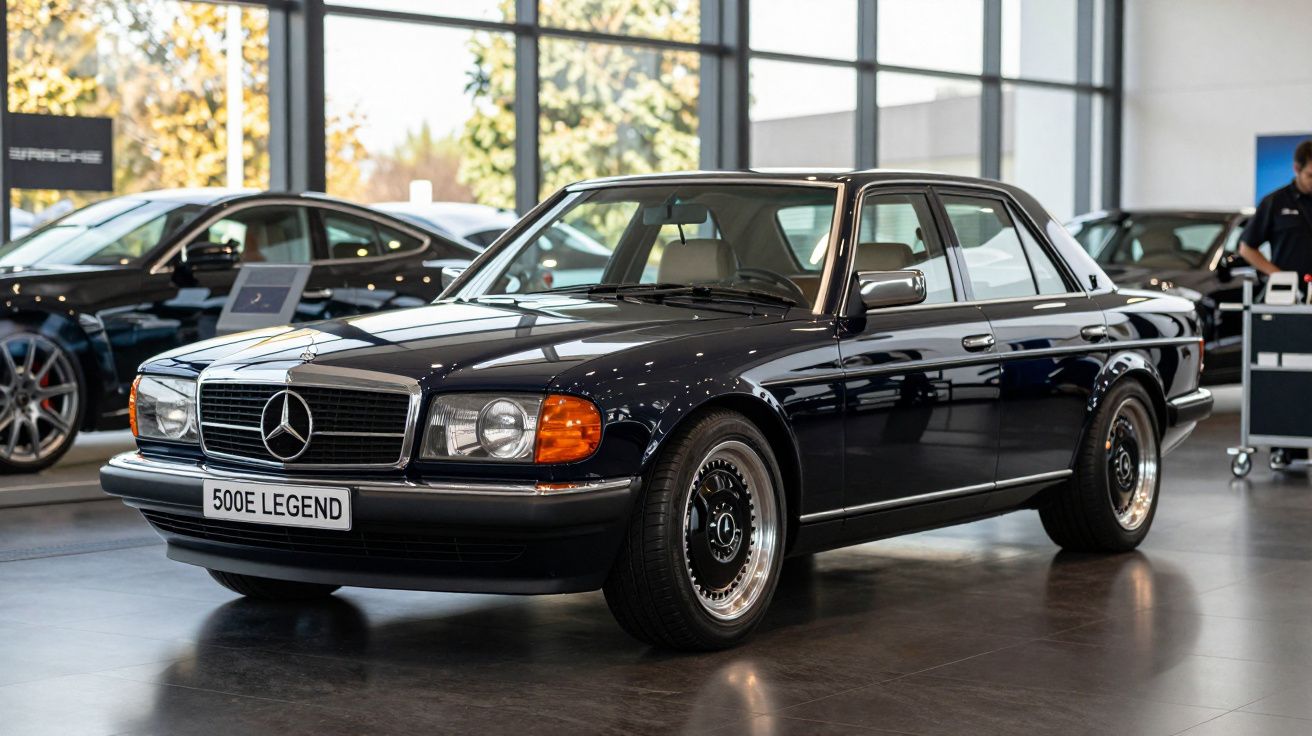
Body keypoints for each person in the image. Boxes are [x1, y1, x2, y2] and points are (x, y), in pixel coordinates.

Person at [1238, 138, 1312, 470]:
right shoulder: (1275, 202)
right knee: (1288, 372)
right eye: (1311, 176)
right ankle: (1285, 447)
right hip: (1287, 303)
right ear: (1297, 169)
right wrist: (1277, 274)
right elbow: (1247, 248)